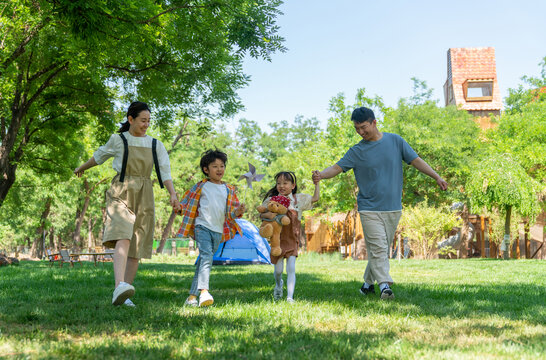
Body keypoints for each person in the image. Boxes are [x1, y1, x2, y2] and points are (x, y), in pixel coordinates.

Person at [312, 107, 447, 300]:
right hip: (369, 208)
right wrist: (321, 175)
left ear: (374, 122)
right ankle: (385, 286)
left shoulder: (395, 141)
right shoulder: (357, 151)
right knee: (379, 248)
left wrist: (437, 177)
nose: (360, 132)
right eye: (357, 129)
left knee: (380, 249)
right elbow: (337, 167)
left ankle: (367, 285)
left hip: (393, 207)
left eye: (363, 127)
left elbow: (416, 160)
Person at [74, 101, 179, 307]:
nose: (146, 124)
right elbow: (99, 156)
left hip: (145, 192)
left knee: (137, 243)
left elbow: (165, 172)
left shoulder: (156, 144)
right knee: (123, 233)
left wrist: (173, 195)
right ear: (130, 119)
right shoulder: (118, 139)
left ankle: (124, 295)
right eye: (142, 120)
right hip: (121, 190)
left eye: (148, 121)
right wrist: (82, 167)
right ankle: (119, 285)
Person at [178, 149, 246, 307]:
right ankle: (204, 292)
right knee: (207, 257)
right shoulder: (201, 186)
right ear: (206, 169)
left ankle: (191, 298)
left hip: (218, 230)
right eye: (215, 166)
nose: (219, 169)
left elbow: (231, 214)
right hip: (202, 226)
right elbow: (185, 204)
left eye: (222, 166)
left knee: (204, 261)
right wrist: (177, 206)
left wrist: (238, 211)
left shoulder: (228, 189)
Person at [261, 171, 319, 303]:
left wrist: (317, 184)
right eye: (278, 183)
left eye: (285, 183)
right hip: (277, 241)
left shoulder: (299, 200)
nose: (281, 186)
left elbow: (315, 198)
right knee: (278, 270)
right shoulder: (271, 201)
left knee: (291, 267)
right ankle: (278, 284)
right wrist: (270, 215)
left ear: (293, 185)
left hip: (292, 239)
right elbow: (262, 214)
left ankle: (289, 297)